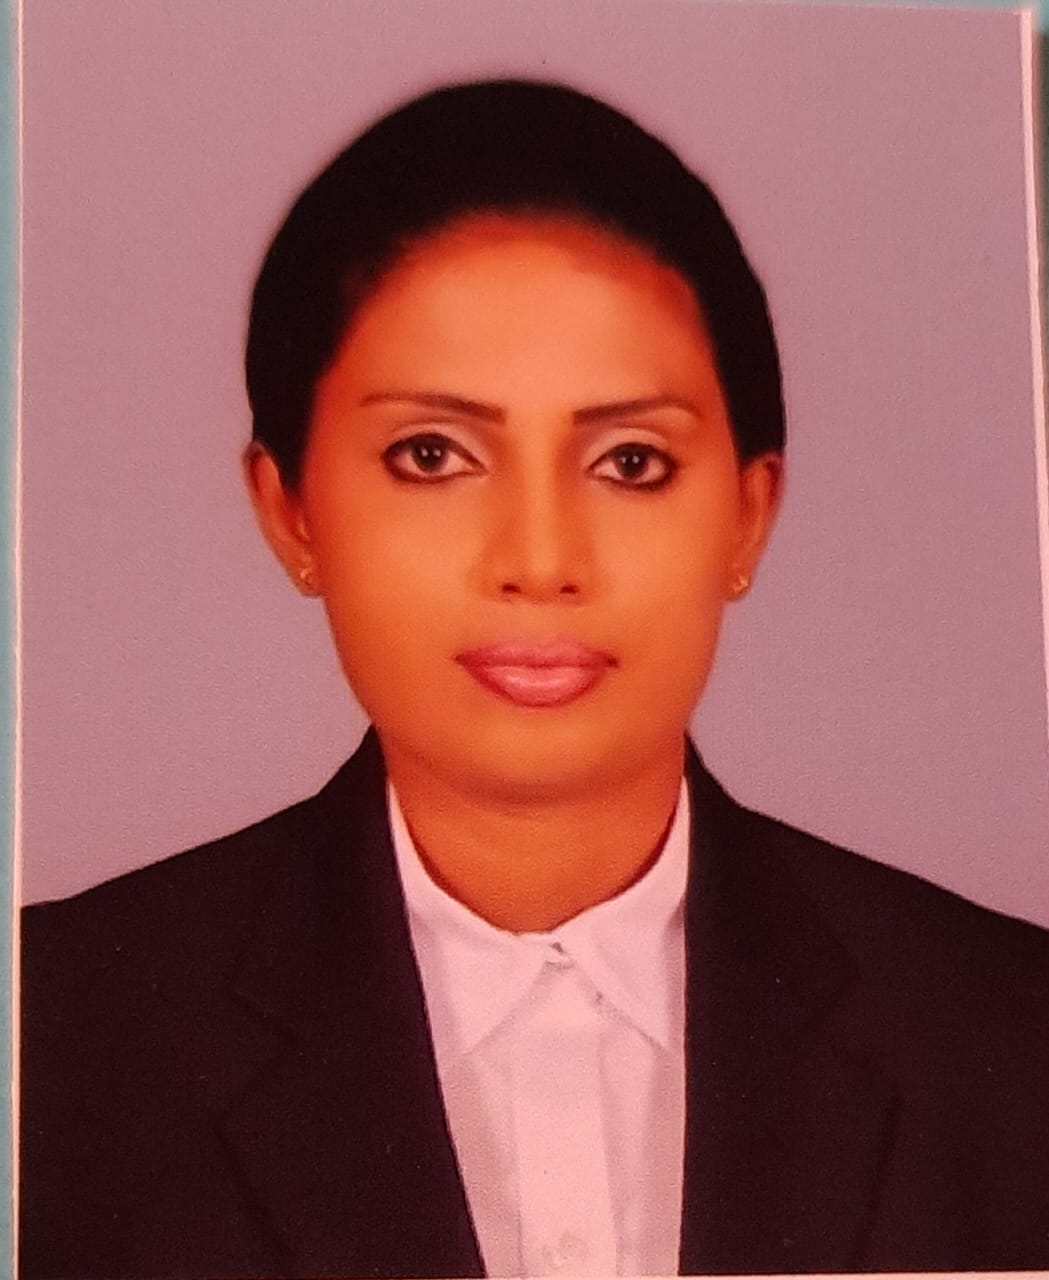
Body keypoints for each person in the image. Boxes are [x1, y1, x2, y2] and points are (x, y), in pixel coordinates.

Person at [19, 79, 1049, 1280]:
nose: (540, 559)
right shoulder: (51, 1036)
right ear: (290, 508)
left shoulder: (1009, 1036)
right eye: (431, 454)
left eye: (629, 461)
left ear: (746, 516)